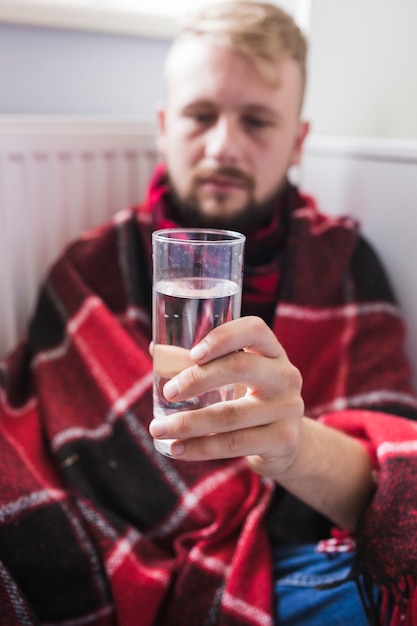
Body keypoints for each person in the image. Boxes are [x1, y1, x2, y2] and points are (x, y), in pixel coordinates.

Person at [1, 2, 417, 625]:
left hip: (304, 567)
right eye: (200, 116)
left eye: (256, 121)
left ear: (298, 142)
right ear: (165, 127)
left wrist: (293, 446)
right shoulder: (89, 272)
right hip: (126, 567)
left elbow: (395, 493)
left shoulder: (345, 263)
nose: (224, 145)